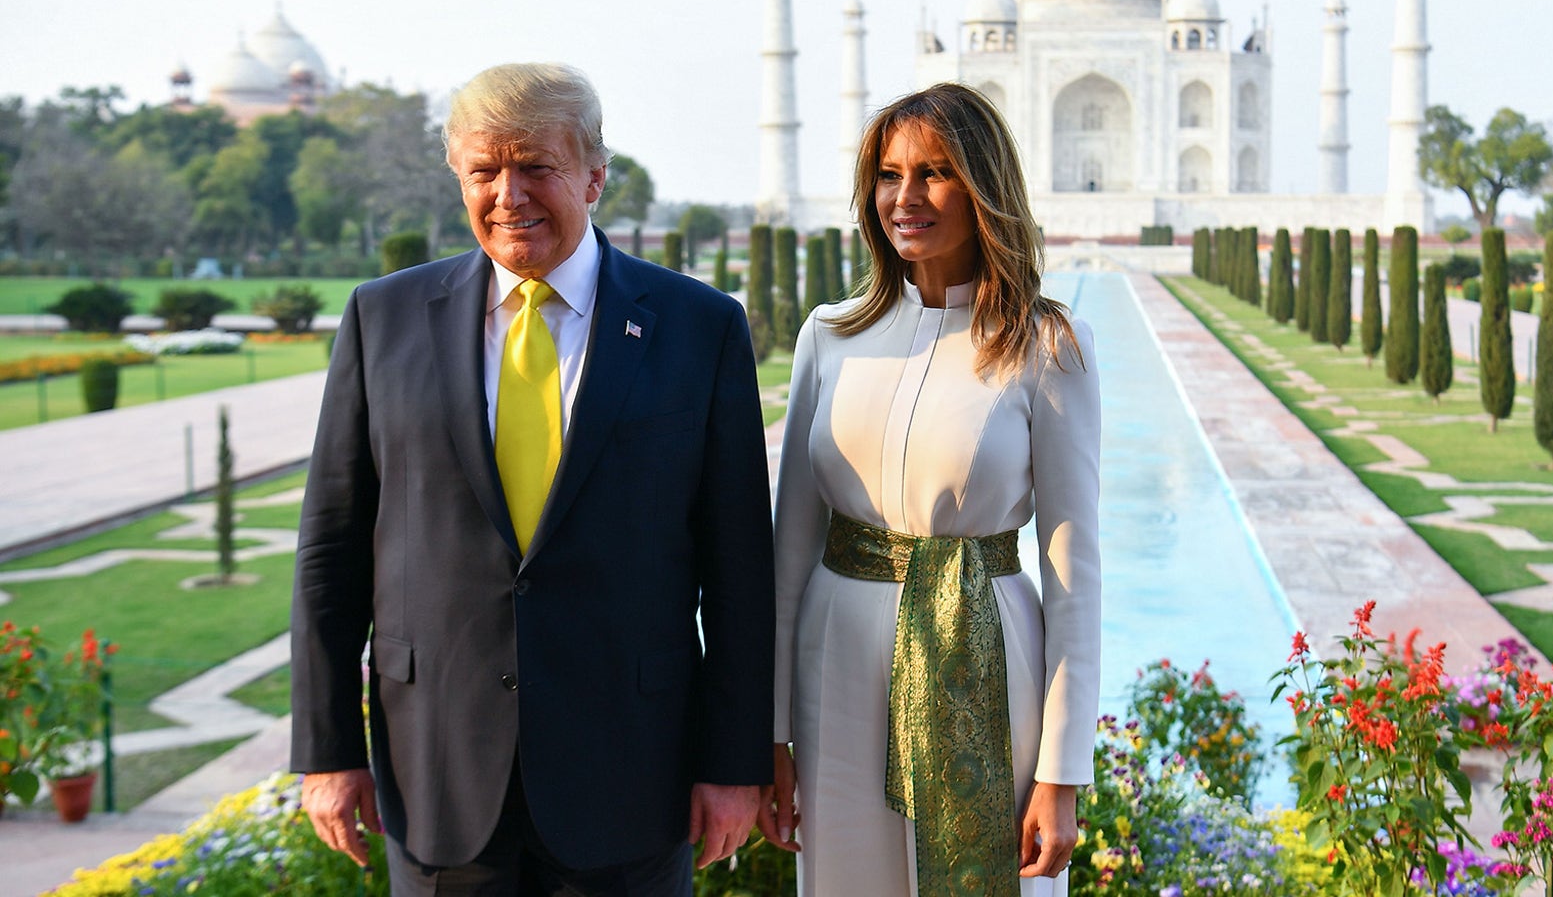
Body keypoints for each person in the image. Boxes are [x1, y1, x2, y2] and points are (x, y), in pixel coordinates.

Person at [290, 63, 773, 896]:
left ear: (595, 175)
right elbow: (331, 554)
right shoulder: (384, 318)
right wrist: (328, 752)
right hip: (437, 773)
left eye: (536, 167)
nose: (508, 195)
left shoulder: (699, 328)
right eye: (484, 171)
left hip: (631, 774)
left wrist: (733, 763)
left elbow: (738, 571)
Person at [760, 83, 1101, 897]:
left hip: (984, 647)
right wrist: (770, 734)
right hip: (836, 658)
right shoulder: (831, 335)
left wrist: (1062, 771)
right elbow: (789, 553)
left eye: (934, 173)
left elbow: (1073, 575)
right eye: (888, 174)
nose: (904, 198)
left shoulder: (1043, 344)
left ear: (984, 186)